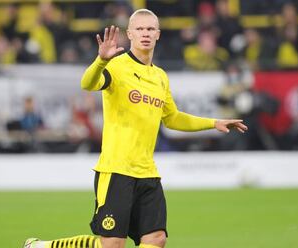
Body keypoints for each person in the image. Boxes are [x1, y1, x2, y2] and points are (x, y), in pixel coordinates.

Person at [23, 9, 247, 248]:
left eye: (150, 29)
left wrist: (213, 123)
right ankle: (41, 247)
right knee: (112, 244)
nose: (145, 34)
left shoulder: (160, 77)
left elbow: (172, 119)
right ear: (129, 33)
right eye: (140, 29)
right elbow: (87, 84)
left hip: (147, 172)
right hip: (116, 170)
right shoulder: (117, 66)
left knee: (156, 239)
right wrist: (101, 60)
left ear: (158, 34)